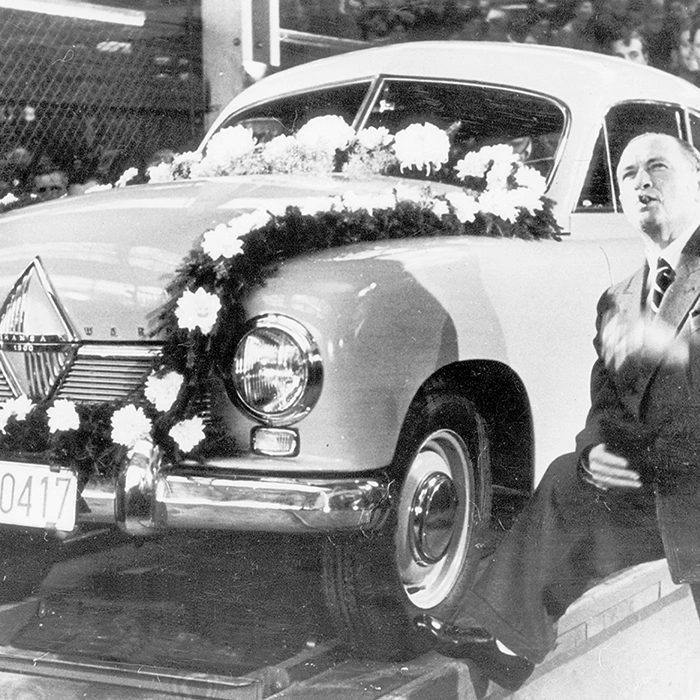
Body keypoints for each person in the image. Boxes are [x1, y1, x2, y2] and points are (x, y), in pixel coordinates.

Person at [415, 132, 700, 691]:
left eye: (658, 167)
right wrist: (595, 449)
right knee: (569, 478)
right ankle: (503, 642)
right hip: (657, 490)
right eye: (627, 173)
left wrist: (674, 348)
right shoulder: (619, 297)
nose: (641, 181)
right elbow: (607, 404)